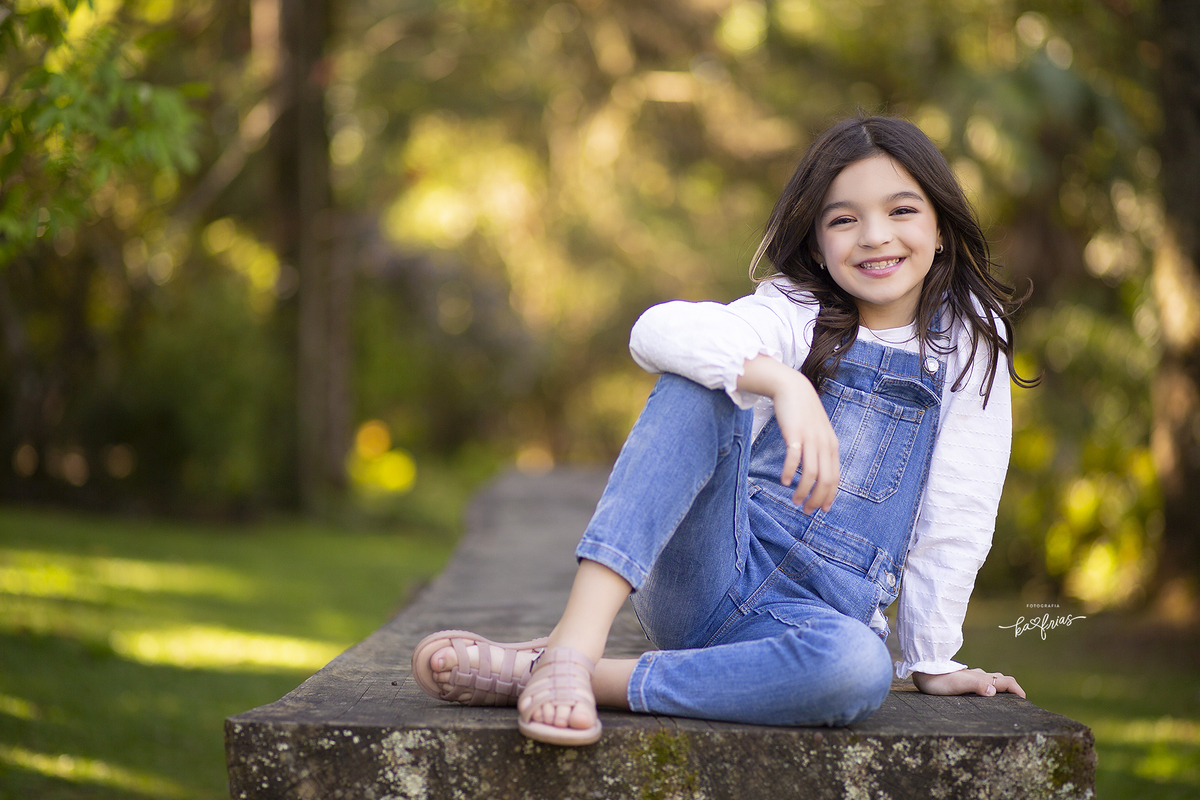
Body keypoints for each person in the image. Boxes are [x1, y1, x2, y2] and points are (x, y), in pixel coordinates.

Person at [412, 114, 1035, 746]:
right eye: (844, 219)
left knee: (857, 671)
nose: (876, 236)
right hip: (704, 575)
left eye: (902, 210)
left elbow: (958, 510)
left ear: (939, 223)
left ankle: (565, 676)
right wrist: (783, 382)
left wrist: (929, 657)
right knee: (703, 377)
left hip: (807, 627)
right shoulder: (794, 310)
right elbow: (656, 332)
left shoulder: (971, 340)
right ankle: (573, 647)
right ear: (817, 242)